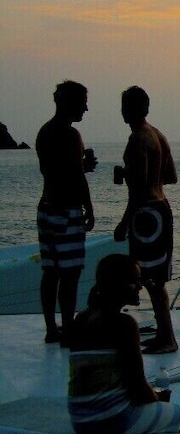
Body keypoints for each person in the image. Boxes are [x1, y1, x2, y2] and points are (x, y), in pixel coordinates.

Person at [66, 254, 180, 434]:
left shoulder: (80, 320)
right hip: (112, 420)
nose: (140, 286)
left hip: (80, 420)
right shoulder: (124, 325)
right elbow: (138, 388)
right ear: (117, 283)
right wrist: (158, 399)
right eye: (135, 281)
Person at [114, 86, 179, 354]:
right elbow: (171, 176)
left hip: (147, 213)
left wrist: (124, 222)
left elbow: (138, 187)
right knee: (155, 278)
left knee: (151, 279)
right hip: (161, 207)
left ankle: (167, 337)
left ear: (126, 110)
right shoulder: (158, 136)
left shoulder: (138, 139)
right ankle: (164, 333)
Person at [35, 80, 97, 344]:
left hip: (47, 208)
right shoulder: (71, 136)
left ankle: (52, 328)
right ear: (70, 102)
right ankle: (69, 330)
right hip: (67, 211)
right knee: (70, 274)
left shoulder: (44, 131)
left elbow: (53, 171)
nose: (86, 107)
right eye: (83, 101)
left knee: (51, 272)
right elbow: (74, 177)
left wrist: (79, 166)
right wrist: (90, 207)